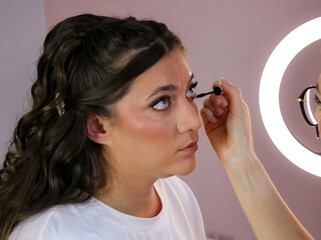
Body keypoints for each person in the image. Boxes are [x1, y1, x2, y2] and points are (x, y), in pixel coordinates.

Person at [0, 13, 314, 240]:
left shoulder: (175, 196)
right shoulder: (55, 234)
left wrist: (240, 159)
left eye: (189, 90)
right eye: (161, 102)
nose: (193, 120)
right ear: (97, 126)